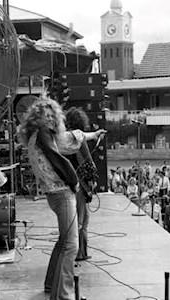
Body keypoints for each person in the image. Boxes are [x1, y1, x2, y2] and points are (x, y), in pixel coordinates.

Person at [19, 96, 106, 300]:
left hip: (54, 194)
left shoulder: (40, 135)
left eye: (52, 116)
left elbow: (68, 138)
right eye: (48, 116)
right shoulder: (43, 135)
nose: (52, 119)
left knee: (63, 241)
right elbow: (57, 157)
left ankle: (51, 284)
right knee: (71, 245)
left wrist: (92, 134)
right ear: (42, 117)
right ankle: (63, 295)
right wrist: (74, 180)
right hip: (62, 193)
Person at [65, 107, 98, 262]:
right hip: (80, 185)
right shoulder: (78, 138)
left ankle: (81, 252)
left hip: (69, 185)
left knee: (78, 219)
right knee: (82, 221)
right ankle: (80, 253)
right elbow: (88, 163)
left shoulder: (65, 139)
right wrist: (92, 182)